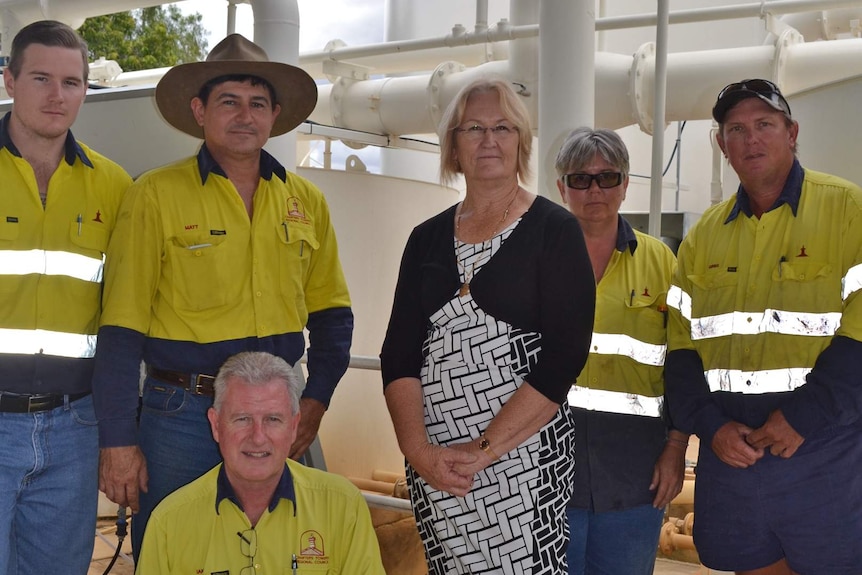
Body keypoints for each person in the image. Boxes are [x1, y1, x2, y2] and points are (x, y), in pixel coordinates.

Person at [92, 33, 353, 558]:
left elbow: (333, 315)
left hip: (280, 410)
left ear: (275, 115)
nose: (244, 115)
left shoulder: (307, 203)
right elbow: (120, 331)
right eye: (228, 101)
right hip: (182, 414)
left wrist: (315, 400)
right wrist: (118, 440)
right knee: (176, 550)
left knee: (281, 552)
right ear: (199, 110)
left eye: (258, 103)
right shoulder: (154, 195)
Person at [380, 78, 596, 574]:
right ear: (453, 145)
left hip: (522, 461)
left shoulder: (555, 230)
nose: (489, 139)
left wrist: (482, 451)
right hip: (434, 465)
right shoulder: (425, 239)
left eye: (503, 127)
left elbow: (565, 356)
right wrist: (418, 452)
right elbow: (399, 355)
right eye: (473, 128)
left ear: (520, 141)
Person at [665, 78, 862, 575]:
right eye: (737, 129)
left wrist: (804, 417)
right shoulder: (701, 239)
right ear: (721, 145)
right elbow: (681, 351)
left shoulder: (850, 211)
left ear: (791, 132)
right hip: (734, 459)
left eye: (764, 125)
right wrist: (711, 429)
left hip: (826, 452)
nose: (751, 139)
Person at [0, 20, 132, 574]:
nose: (58, 96)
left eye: (72, 82)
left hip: (74, 429)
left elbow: (123, 316)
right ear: (9, 80)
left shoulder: (115, 186)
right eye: (41, 78)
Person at [555, 127, 686, 575]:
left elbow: (682, 365)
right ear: (561, 187)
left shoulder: (662, 263)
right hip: (547, 473)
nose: (594, 189)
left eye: (608, 177)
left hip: (636, 476)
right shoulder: (534, 261)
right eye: (580, 179)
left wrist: (677, 449)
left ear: (626, 184)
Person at [135, 351, 385, 574]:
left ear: (294, 426)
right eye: (242, 419)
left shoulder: (343, 507)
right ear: (216, 425)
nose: (257, 437)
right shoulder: (169, 522)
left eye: (273, 419)